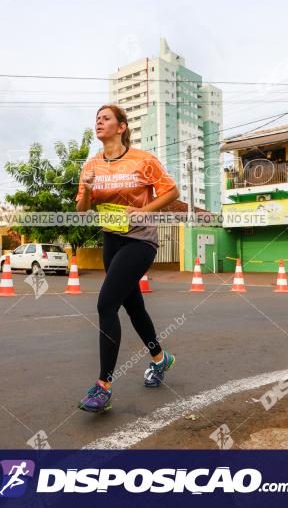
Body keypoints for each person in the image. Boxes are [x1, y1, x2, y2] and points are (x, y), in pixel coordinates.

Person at [75, 104, 180, 413]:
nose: (99, 122)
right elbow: (82, 209)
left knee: (106, 303)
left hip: (140, 240)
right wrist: (88, 192)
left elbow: (171, 191)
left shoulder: (143, 160)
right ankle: (161, 359)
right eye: (96, 118)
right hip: (111, 239)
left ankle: (103, 386)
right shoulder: (91, 165)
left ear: (121, 127)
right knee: (133, 307)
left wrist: (144, 210)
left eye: (105, 118)